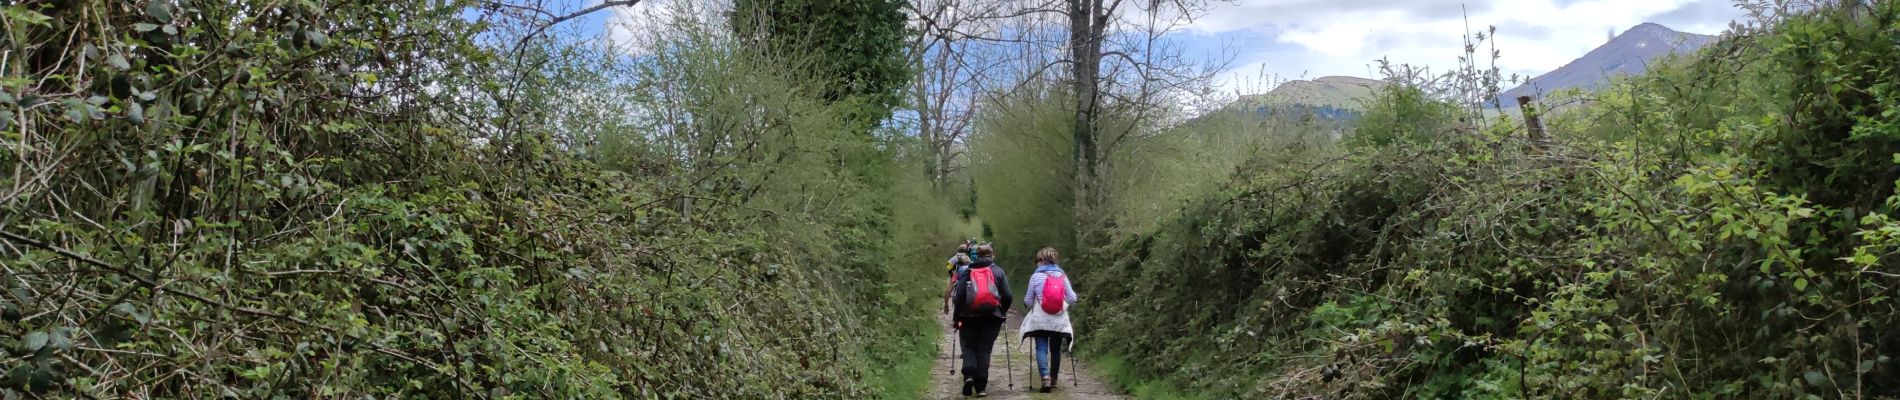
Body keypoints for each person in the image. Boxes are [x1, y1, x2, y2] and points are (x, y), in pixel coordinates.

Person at [951, 244, 1013, 397]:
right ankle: (981, 387)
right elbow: (1008, 296)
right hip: (992, 317)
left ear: (975, 255)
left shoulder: (967, 271)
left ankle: (969, 376)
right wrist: (1002, 312)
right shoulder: (998, 271)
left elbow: (958, 297)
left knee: (969, 347)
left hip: (968, 316)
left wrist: (956, 317)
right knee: (984, 349)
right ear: (992, 255)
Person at [1019, 247, 1077, 393]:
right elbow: (1072, 298)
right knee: (1055, 350)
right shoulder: (1062, 276)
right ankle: (1054, 379)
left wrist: (1031, 304)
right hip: (1058, 320)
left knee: (1041, 348)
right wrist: (1061, 304)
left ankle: (1045, 378)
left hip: (1040, 320)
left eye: (1037, 261)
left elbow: (1028, 300)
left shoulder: (1035, 277)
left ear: (1043, 261)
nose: (1036, 264)